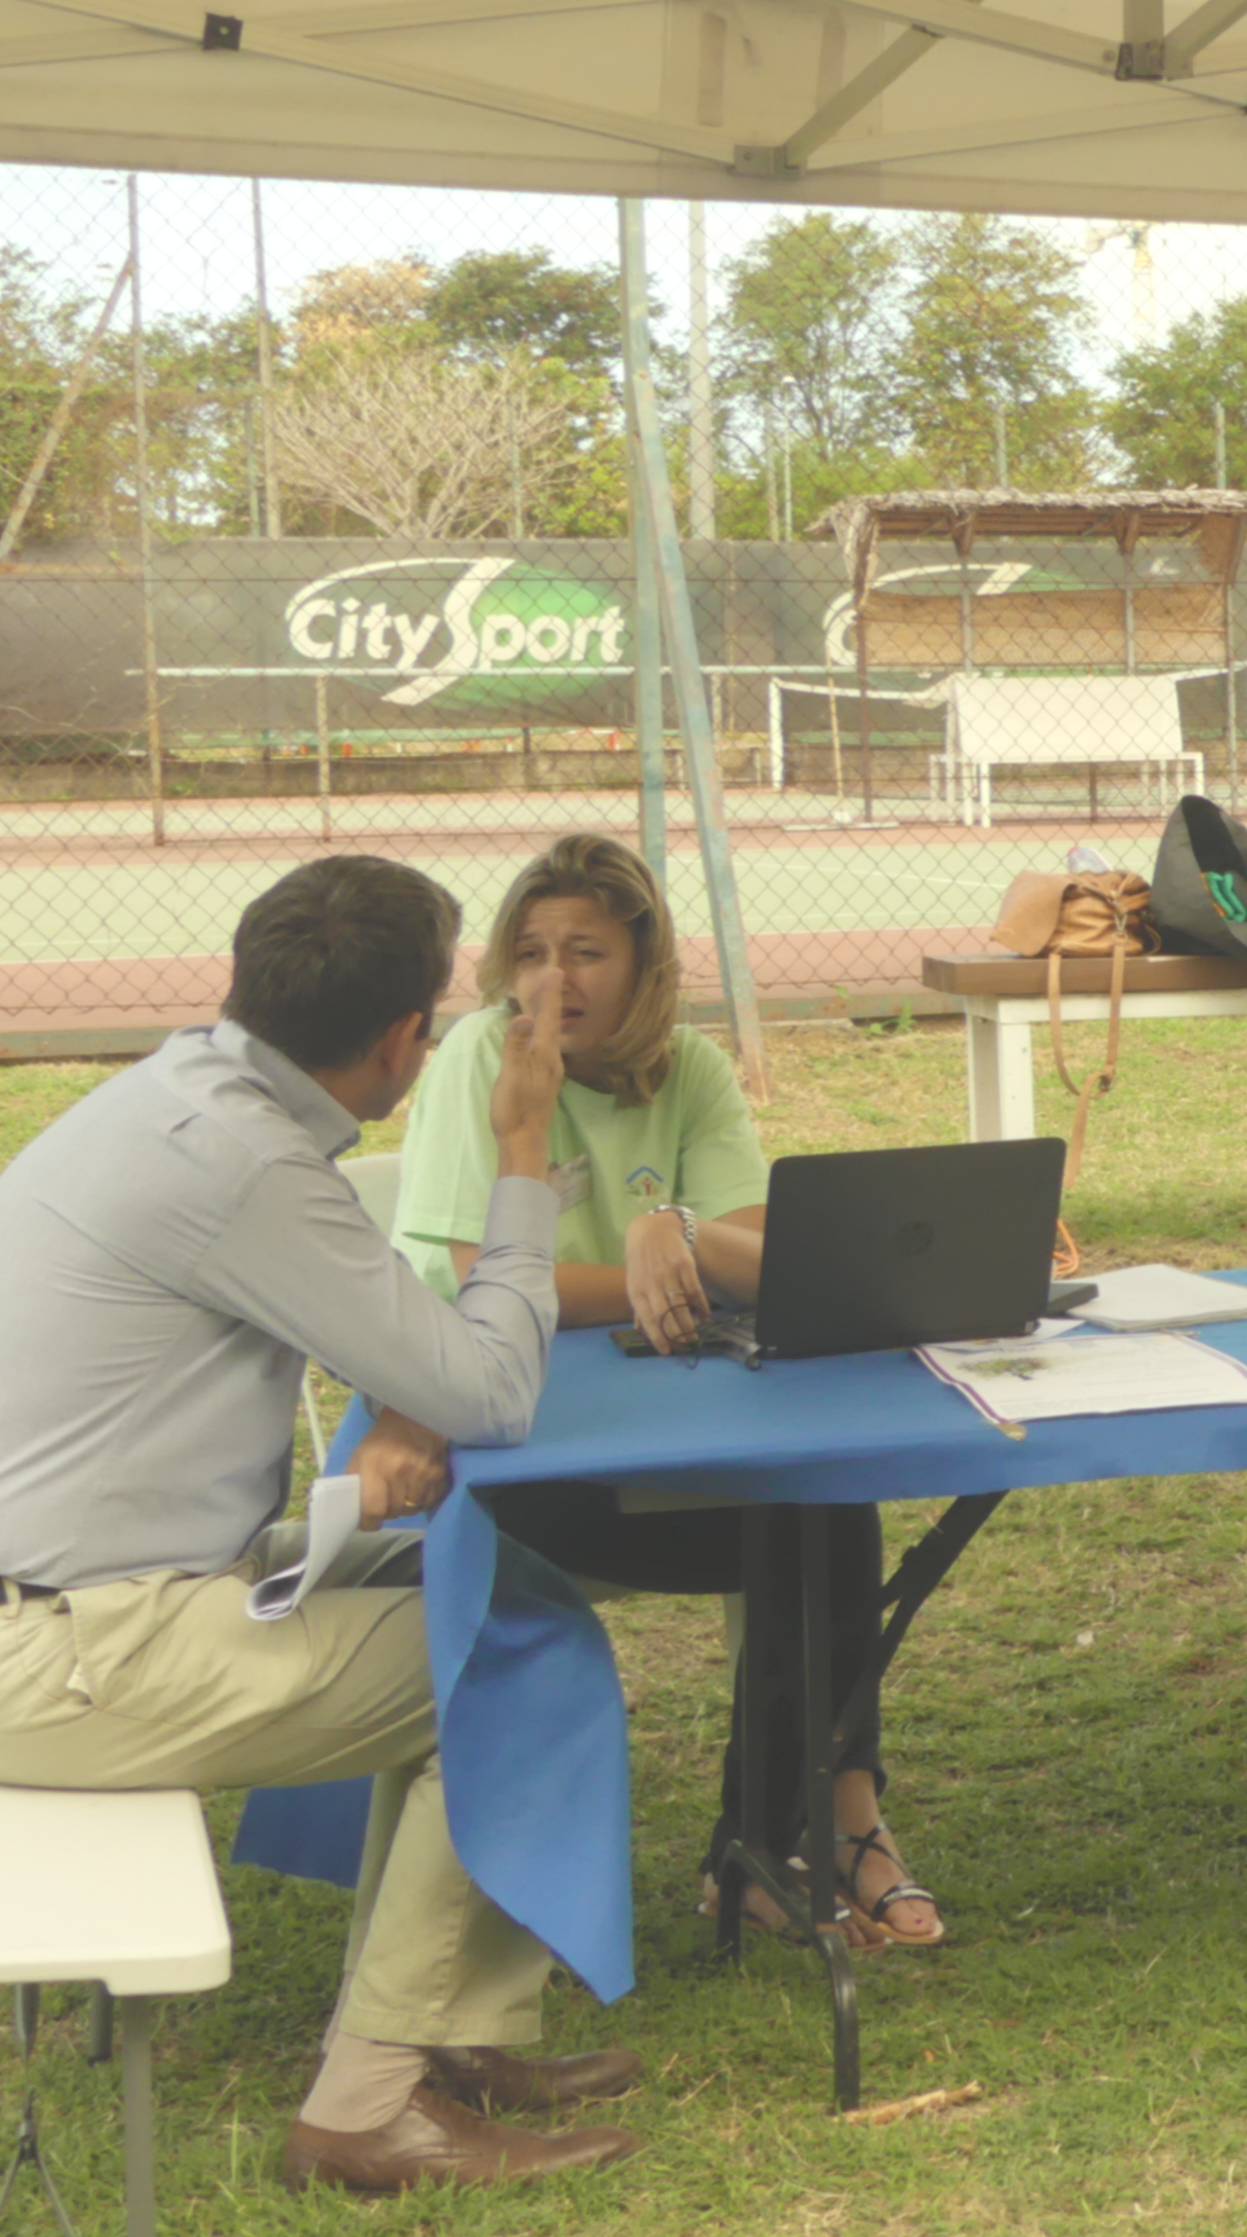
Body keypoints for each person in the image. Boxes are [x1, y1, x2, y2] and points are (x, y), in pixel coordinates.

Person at [0, 855, 645, 2194]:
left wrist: (406, 1400)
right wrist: (525, 1153)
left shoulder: (186, 1098)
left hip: (28, 1613)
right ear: (406, 1042)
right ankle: (368, 2109)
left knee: (503, 1594)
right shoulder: (244, 1164)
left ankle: (457, 2034)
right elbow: (490, 1388)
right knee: (502, 1661)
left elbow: (402, 1358)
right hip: (45, 1657)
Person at [389, 832, 944, 1948]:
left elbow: (763, 1243)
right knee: (804, 1542)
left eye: (587, 951)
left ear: (644, 968)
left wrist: (674, 1230)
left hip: (678, 1425)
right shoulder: (480, 1062)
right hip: (516, 1450)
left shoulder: (684, 1068)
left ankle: (812, 1831)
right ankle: (798, 1839)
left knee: (825, 1510)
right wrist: (651, 1280)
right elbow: (486, 1279)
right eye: (532, 951)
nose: (556, 980)